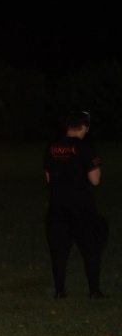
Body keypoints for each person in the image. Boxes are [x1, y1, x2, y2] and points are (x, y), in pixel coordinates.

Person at [43, 111, 107, 299]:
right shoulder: (86, 147)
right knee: (90, 247)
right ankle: (94, 291)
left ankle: (60, 290)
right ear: (82, 127)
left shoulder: (52, 147)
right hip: (81, 205)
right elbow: (95, 180)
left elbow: (48, 177)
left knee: (59, 249)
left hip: (57, 205)